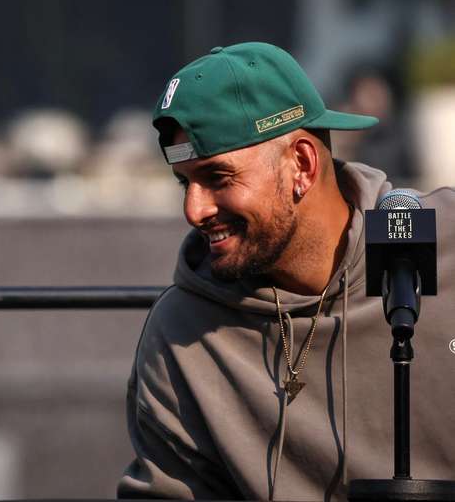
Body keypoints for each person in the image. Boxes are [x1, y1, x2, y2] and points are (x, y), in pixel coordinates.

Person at [118, 43, 455, 500]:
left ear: (301, 164)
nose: (193, 209)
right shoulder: (180, 334)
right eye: (186, 182)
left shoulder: (447, 248)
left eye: (218, 178)